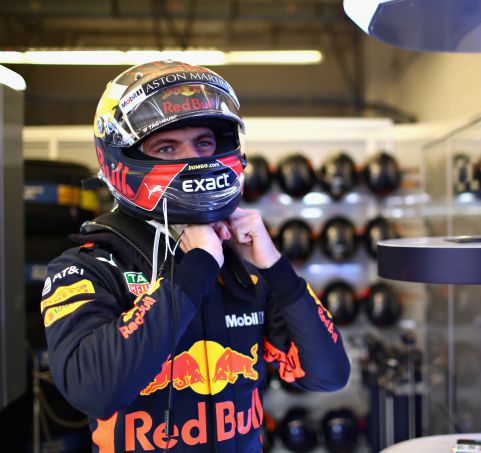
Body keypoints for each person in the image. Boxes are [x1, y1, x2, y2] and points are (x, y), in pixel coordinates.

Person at [40, 60, 350, 452]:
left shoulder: (242, 268)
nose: (193, 158)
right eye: (167, 147)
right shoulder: (86, 267)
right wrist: (195, 269)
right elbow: (93, 390)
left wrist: (275, 266)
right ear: (121, 159)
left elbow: (328, 375)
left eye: (203, 143)